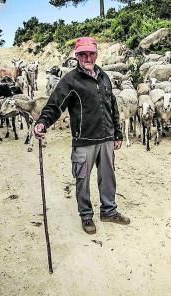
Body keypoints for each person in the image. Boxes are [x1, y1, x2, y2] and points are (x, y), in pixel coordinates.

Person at [34, 37, 130, 235]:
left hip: (106, 139)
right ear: (77, 55)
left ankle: (109, 211)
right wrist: (43, 122)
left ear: (96, 54)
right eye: (83, 54)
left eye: (91, 53)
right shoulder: (70, 81)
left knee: (108, 177)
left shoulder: (104, 77)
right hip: (84, 141)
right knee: (82, 178)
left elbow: (112, 106)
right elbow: (54, 106)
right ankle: (86, 215)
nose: (87, 57)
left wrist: (117, 133)